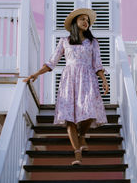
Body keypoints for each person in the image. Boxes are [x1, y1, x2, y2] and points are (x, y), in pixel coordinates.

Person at [23, 8, 109, 165]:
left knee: (90, 112)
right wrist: (36, 74)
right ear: (75, 22)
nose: (86, 22)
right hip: (69, 80)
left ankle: (82, 135)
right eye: (82, 19)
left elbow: (97, 64)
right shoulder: (64, 41)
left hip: (88, 78)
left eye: (87, 20)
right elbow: (51, 62)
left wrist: (104, 79)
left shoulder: (93, 42)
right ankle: (77, 155)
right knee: (69, 118)